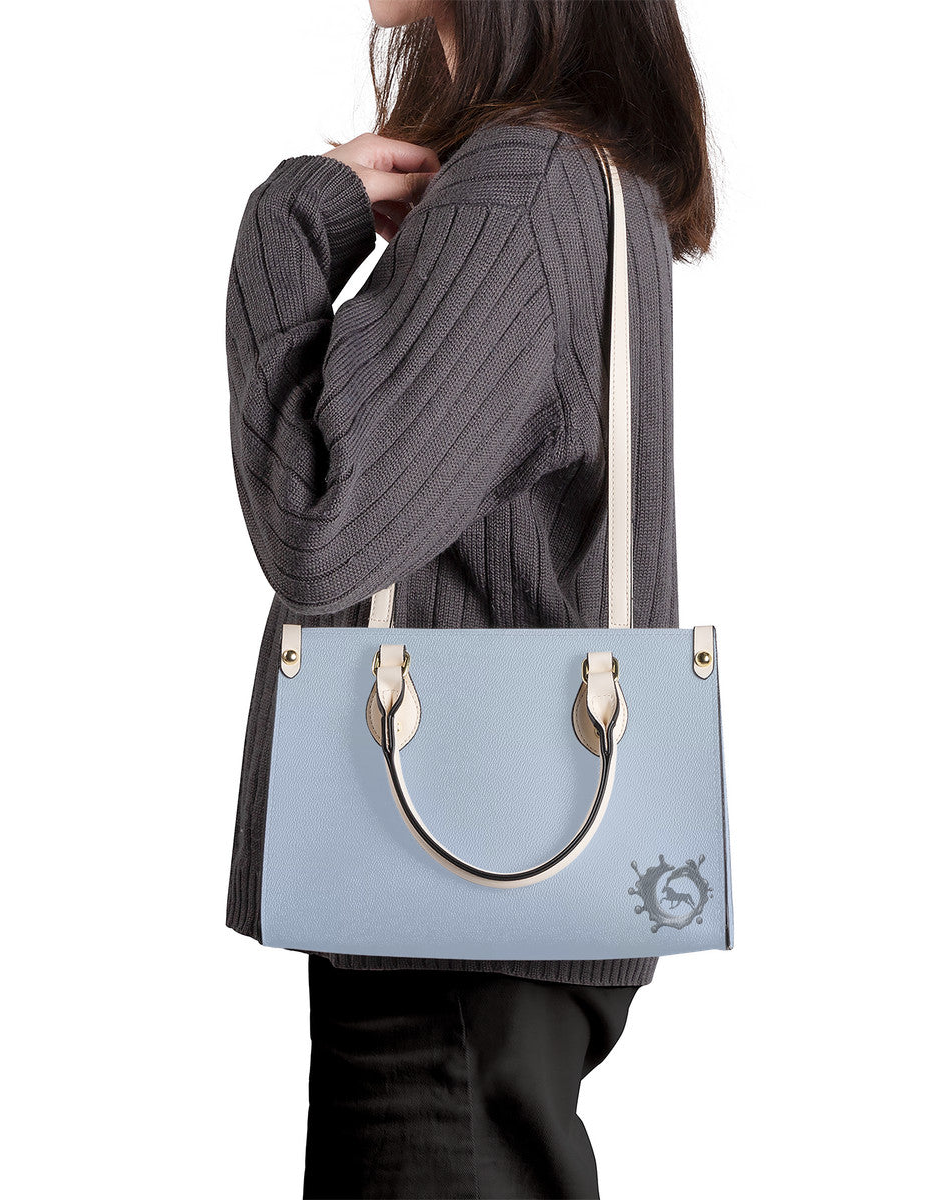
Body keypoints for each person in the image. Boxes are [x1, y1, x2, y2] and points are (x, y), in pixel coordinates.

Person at [225, 2, 715, 1195]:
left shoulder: (518, 188)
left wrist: (291, 222)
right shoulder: (567, 175)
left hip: (447, 900)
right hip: (482, 880)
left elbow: (321, 527)